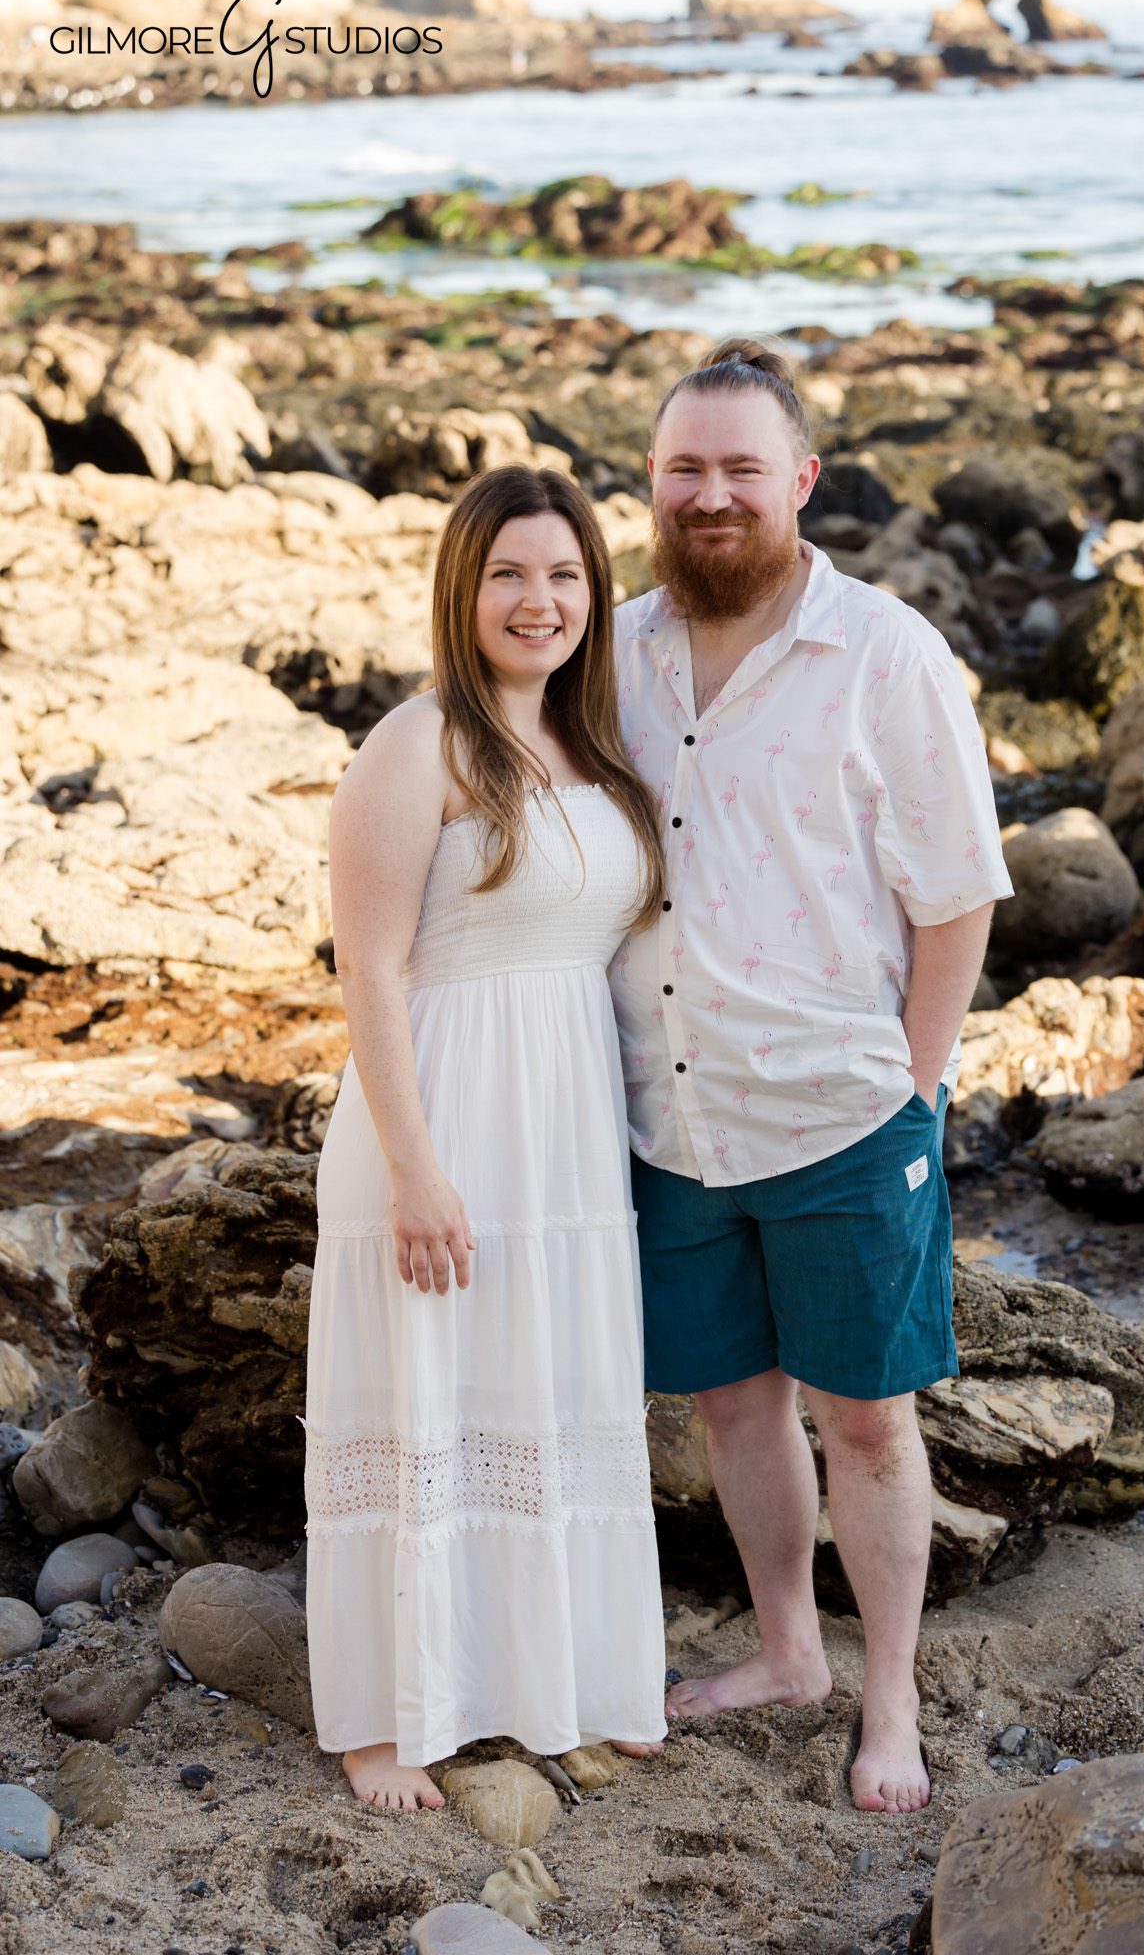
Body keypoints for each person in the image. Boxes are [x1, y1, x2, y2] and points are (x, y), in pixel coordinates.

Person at [610, 339, 1013, 1815]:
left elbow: (957, 892)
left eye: (737, 469)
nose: (708, 494)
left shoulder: (884, 651)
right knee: (728, 1406)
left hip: (841, 1112)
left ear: (801, 482)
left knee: (864, 1420)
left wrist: (916, 1088)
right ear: (651, 482)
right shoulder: (615, 647)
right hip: (670, 1109)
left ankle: (886, 1696)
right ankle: (788, 1653)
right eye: (682, 468)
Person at [305, 464, 670, 1812]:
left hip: (567, 1131)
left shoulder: (597, 747)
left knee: (546, 1392)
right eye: (511, 573)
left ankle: (549, 1678)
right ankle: (381, 1717)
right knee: (424, 1406)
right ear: (463, 589)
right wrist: (413, 1168)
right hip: (444, 1117)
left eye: (565, 575)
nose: (539, 600)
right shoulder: (418, 746)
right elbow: (371, 974)